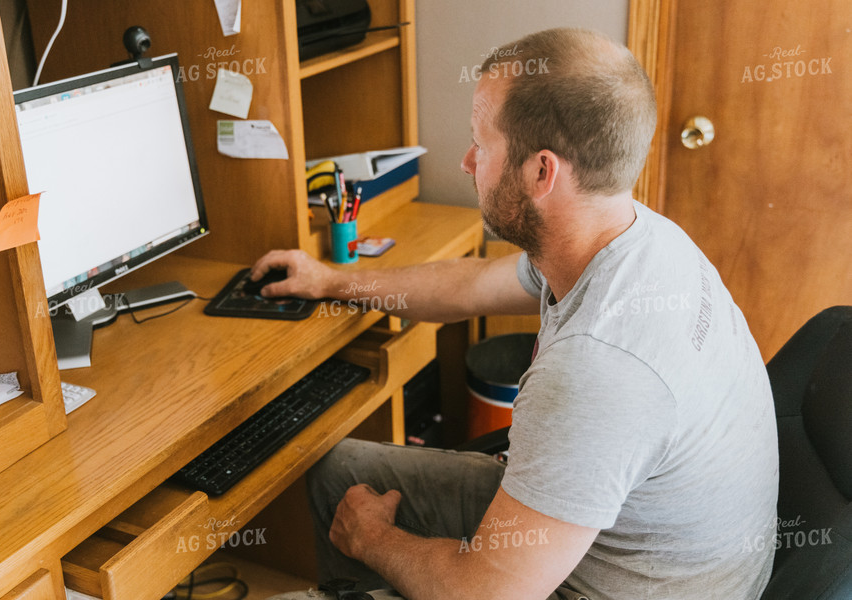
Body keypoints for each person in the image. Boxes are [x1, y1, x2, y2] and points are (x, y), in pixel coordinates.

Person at [252, 28, 778, 600]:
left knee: (340, 539)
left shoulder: (598, 366)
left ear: (541, 172)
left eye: (483, 143)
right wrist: (330, 280)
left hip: (595, 588)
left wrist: (373, 538)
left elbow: (486, 594)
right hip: (625, 550)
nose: (467, 160)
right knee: (338, 473)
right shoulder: (631, 236)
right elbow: (472, 285)